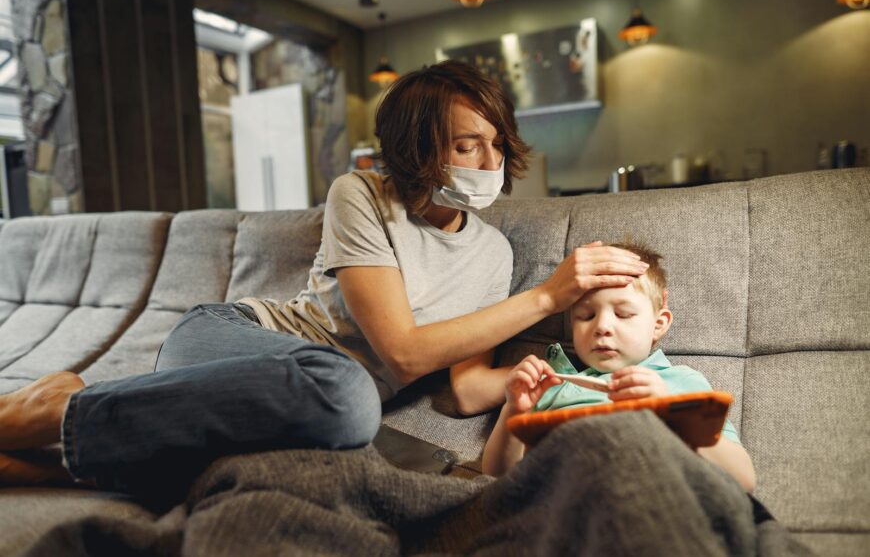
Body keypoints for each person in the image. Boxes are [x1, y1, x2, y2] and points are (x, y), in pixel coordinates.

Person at [0, 60, 649, 495]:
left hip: (323, 405)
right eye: (465, 144)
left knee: (275, 455)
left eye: (497, 143)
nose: (491, 161)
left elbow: (461, 388)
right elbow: (399, 351)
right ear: (421, 149)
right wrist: (546, 297)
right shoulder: (362, 195)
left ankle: (41, 445)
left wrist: (556, 377)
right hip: (231, 341)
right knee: (348, 394)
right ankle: (56, 412)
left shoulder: (491, 253)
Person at [482, 241, 757, 492]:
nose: (601, 327)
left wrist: (671, 413)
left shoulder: (681, 383)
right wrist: (514, 411)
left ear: (658, 324)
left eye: (623, 314)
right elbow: (496, 476)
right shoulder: (552, 386)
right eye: (586, 315)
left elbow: (743, 479)